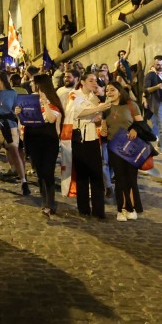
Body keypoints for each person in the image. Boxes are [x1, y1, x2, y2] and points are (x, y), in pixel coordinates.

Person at [67, 72, 112, 219]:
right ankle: (83, 208)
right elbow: (77, 112)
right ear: (83, 82)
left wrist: (99, 112)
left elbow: (98, 116)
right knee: (82, 175)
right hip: (80, 138)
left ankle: (99, 210)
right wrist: (98, 109)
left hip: (93, 137)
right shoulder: (74, 94)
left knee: (97, 174)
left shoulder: (94, 97)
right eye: (91, 80)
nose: (94, 83)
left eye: (96, 81)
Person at [103, 82, 145, 221]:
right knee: (120, 178)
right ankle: (121, 209)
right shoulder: (105, 108)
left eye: (112, 90)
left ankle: (131, 207)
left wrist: (135, 129)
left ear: (119, 91)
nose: (109, 92)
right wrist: (103, 131)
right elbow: (103, 127)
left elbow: (141, 123)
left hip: (130, 146)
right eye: (107, 90)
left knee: (131, 178)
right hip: (114, 147)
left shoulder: (131, 105)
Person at [0, 70, 28, 194]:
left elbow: (16, 109)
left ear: (2, 79)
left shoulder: (12, 93)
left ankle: (24, 181)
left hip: (10, 126)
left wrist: (17, 111)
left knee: (15, 152)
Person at [24, 73, 64, 218]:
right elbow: (26, 120)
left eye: (33, 82)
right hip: (34, 140)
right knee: (40, 173)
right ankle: (44, 200)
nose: (31, 84)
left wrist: (45, 102)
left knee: (48, 172)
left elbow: (51, 118)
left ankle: (50, 203)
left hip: (49, 141)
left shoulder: (52, 101)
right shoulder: (31, 100)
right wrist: (19, 113)